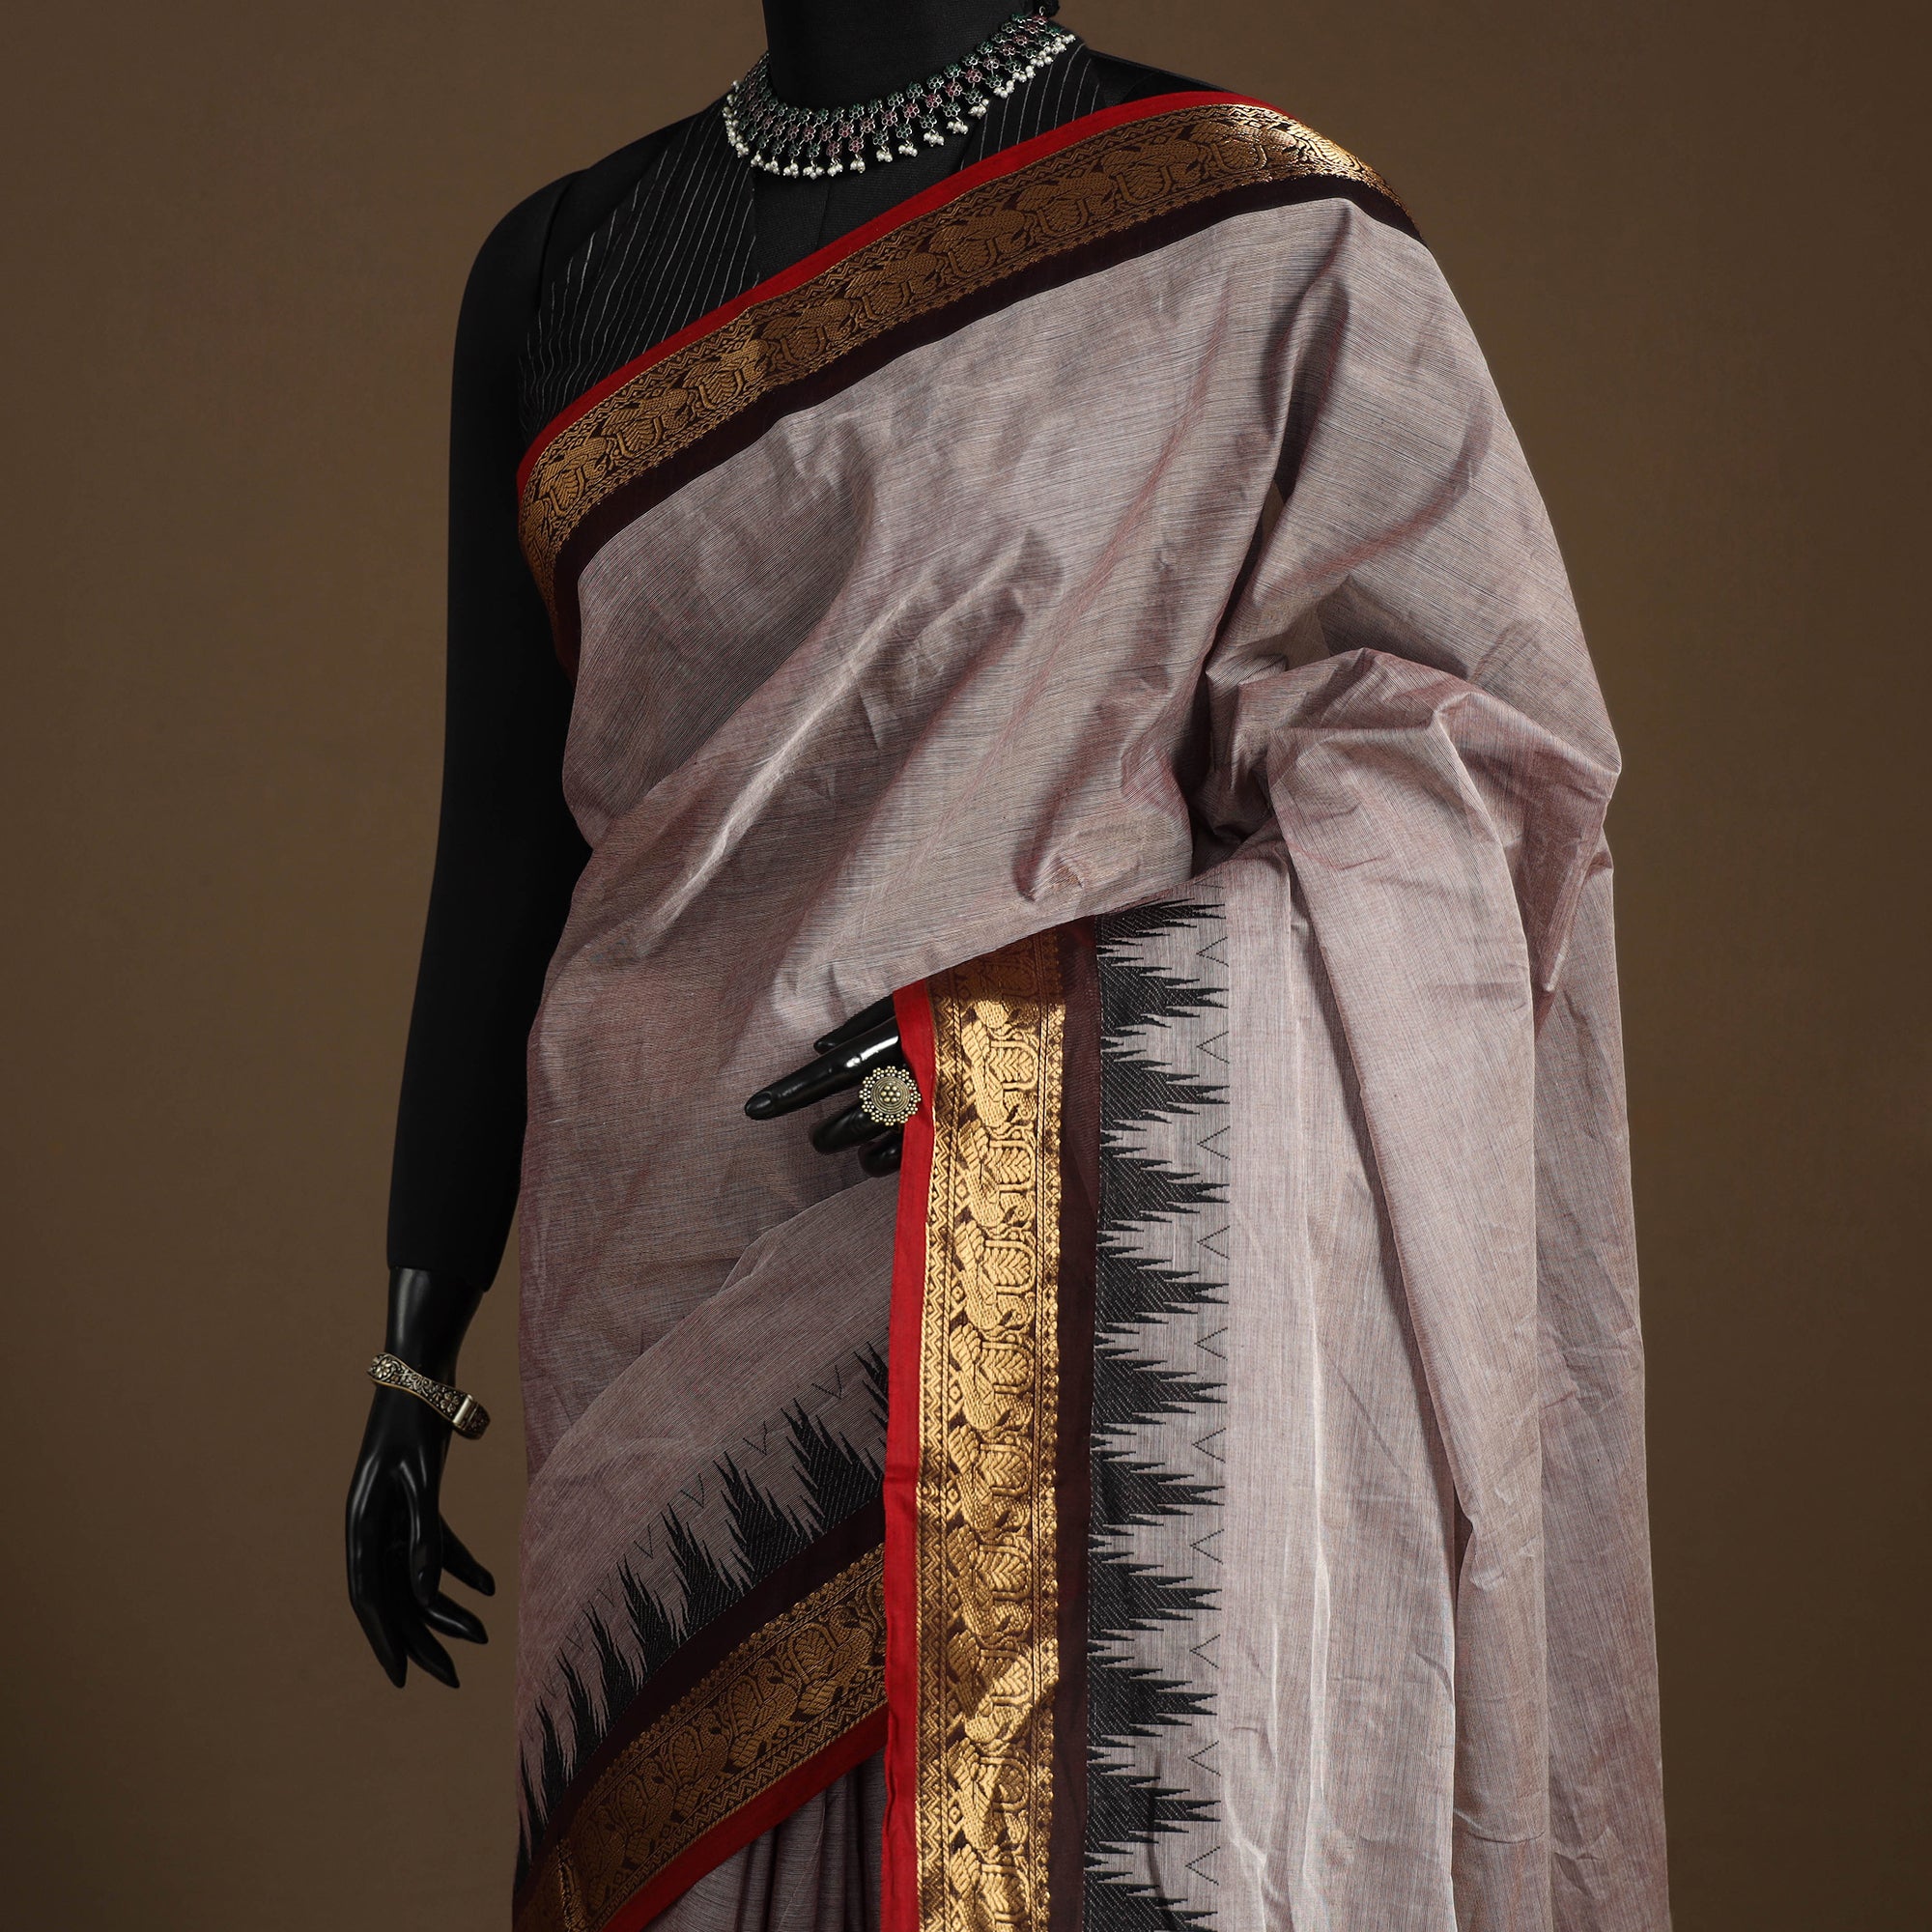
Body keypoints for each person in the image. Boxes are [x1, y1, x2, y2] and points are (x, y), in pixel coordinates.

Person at [347, 7, 1669, 1927]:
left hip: (1060, 1263)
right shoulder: (558, 274)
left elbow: (1467, 787)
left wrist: (1031, 1049)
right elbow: (500, 849)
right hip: (648, 1295)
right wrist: (416, 1345)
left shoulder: (1243, 227)